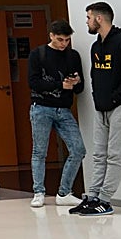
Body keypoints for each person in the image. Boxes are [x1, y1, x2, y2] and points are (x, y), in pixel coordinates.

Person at [72, 2, 121, 216]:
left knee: (115, 155)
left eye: (88, 17)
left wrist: (113, 99)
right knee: (99, 154)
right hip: (102, 107)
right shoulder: (96, 46)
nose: (87, 21)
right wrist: (99, 100)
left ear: (99, 19)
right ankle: (92, 197)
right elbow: (95, 75)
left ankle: (105, 200)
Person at [27, 20, 86, 209]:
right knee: (39, 151)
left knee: (78, 149)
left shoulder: (73, 56)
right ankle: (38, 192)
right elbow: (33, 82)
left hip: (64, 108)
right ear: (51, 35)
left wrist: (75, 82)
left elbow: (81, 86)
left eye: (67, 40)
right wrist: (60, 85)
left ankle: (64, 192)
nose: (64, 44)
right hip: (41, 107)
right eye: (60, 40)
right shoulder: (38, 54)